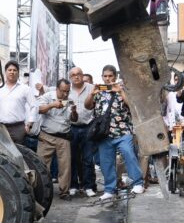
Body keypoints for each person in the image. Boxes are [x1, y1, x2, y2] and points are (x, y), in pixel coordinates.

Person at [85, 64, 144, 201]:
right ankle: (109, 189)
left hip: (123, 130)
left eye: (110, 76)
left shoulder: (123, 89)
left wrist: (120, 91)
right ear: (102, 77)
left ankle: (138, 183)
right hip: (104, 134)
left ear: (115, 76)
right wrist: (92, 94)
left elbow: (132, 106)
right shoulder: (98, 91)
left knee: (129, 154)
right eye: (105, 76)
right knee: (106, 163)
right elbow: (87, 106)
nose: (107, 79)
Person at [37, 78, 75, 200]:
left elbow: (73, 119)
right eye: (63, 91)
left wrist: (74, 112)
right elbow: (39, 109)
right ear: (57, 89)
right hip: (46, 135)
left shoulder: (69, 101)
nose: (65, 94)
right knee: (42, 165)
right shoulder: (48, 96)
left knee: (65, 167)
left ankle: (64, 192)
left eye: (67, 91)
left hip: (63, 137)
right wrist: (52, 105)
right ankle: (41, 192)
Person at [67, 67, 96, 197]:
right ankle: (73, 185)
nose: (76, 77)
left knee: (88, 159)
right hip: (71, 127)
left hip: (88, 126)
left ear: (82, 75)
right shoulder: (67, 89)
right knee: (72, 158)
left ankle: (88, 186)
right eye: (73, 75)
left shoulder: (92, 88)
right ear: (70, 77)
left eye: (78, 74)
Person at [0, 60, 35, 145]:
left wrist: (30, 124)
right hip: (1, 127)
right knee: (1, 154)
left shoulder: (25, 89)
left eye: (14, 70)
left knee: (19, 154)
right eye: (9, 70)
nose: (12, 72)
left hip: (18, 128)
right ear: (5, 72)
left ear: (18, 72)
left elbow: (34, 106)